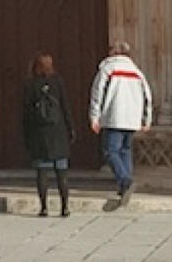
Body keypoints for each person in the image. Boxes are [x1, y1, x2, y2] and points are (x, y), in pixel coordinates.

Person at [89, 41, 152, 208]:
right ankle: (124, 185)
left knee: (110, 151)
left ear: (114, 53)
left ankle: (125, 181)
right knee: (125, 150)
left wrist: (94, 117)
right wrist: (146, 119)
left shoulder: (108, 69)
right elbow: (147, 96)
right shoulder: (137, 72)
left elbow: (98, 93)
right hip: (132, 119)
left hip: (114, 117)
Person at [22, 52, 75, 217]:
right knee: (62, 172)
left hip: (40, 134)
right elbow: (65, 106)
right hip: (58, 132)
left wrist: (26, 134)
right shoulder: (58, 82)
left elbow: (26, 112)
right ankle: (64, 207)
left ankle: (44, 207)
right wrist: (70, 127)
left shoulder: (30, 85)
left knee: (42, 173)